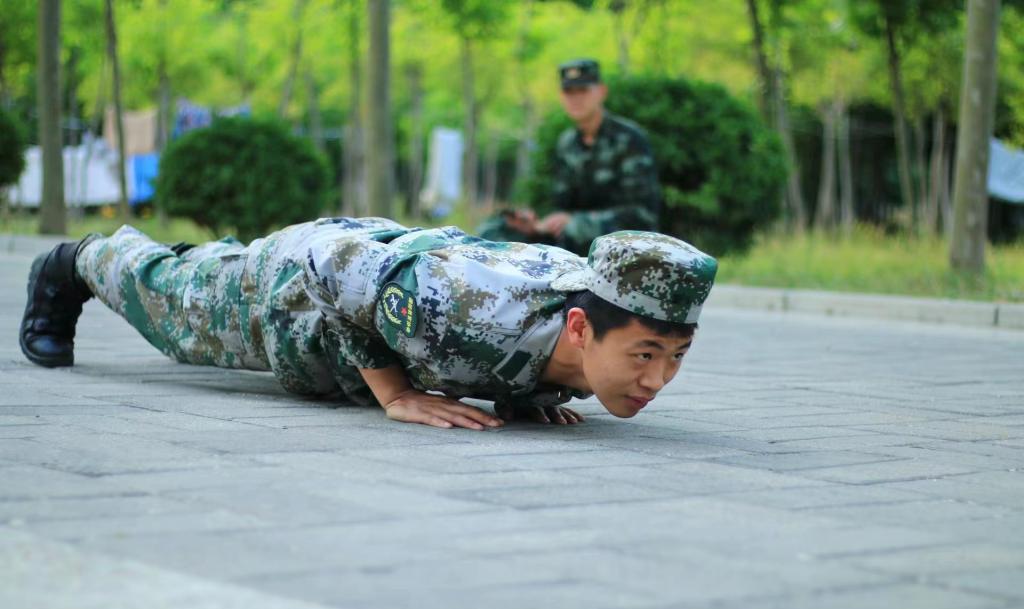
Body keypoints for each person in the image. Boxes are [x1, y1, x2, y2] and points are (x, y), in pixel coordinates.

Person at [19, 217, 716, 430]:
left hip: (380, 274)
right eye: (645, 354)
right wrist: (394, 393)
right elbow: (328, 267)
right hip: (295, 294)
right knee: (170, 309)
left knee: (196, 275)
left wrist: (527, 393)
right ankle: (75, 260)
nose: (658, 378)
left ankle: (196, 260)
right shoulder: (463, 307)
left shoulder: (588, 318)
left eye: (677, 355)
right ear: (582, 329)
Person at [479, 58, 661, 255]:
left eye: (583, 90)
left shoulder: (630, 139)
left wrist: (574, 223)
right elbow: (562, 206)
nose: (576, 99)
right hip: (575, 248)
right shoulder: (567, 143)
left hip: (624, 251)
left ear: (601, 92)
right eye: (569, 92)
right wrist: (535, 225)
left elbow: (642, 217)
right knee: (495, 230)